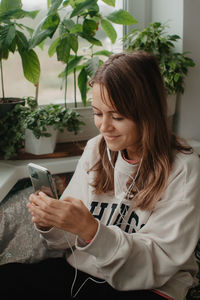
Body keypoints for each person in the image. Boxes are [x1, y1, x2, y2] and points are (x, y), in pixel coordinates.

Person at [3, 51, 200, 300]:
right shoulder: (97, 148)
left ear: (148, 114)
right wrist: (50, 222)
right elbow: (65, 240)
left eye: (117, 116)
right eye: (97, 113)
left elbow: (157, 263)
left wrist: (91, 230)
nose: (104, 127)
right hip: (85, 270)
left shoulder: (183, 168)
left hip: (151, 283)